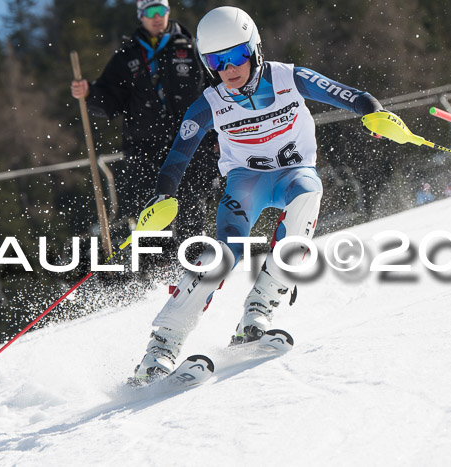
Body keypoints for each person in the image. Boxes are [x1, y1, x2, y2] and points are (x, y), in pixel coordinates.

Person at [131, 6, 385, 383]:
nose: (228, 69)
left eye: (235, 56)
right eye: (216, 61)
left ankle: (258, 311)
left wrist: (373, 112)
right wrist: (164, 193)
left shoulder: (288, 77)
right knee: (224, 253)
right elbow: (179, 151)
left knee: (307, 194)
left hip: (291, 175)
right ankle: (161, 348)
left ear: (254, 50)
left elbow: (349, 95)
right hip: (245, 182)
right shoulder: (211, 102)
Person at [70, 0, 216, 242]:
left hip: (191, 144)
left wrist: (218, 136)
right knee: (151, 217)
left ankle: (196, 267)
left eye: (162, 10)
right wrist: (89, 93)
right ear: (141, 16)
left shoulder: (192, 49)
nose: (157, 16)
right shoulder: (127, 57)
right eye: (151, 11)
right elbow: (109, 100)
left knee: (192, 211)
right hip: (145, 149)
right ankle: (156, 272)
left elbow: (215, 93)